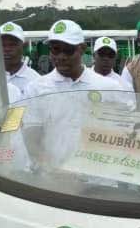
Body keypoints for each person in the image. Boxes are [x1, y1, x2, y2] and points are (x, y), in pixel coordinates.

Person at [22, 19, 113, 167]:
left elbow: (119, 133)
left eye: (69, 50)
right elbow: (32, 139)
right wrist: (52, 171)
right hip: (52, 179)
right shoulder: (35, 89)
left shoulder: (108, 87)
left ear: (82, 49)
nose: (61, 56)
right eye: (55, 49)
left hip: (97, 179)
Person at [0, 21, 42, 94]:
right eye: (2, 45)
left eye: (12, 45)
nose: (7, 49)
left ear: (23, 46)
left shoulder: (35, 80)